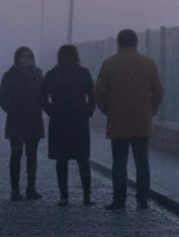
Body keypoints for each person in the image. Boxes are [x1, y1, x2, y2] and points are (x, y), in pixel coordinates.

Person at [94, 29, 163, 211]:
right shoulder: (148, 63)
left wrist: (109, 110)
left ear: (118, 43)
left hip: (118, 120)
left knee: (119, 162)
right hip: (141, 120)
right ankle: (142, 200)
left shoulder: (109, 64)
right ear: (136, 43)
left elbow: (99, 93)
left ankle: (119, 200)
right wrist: (150, 111)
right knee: (142, 162)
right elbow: (158, 91)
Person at [41, 44, 96, 206]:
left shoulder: (52, 74)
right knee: (83, 160)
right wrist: (88, 112)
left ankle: (64, 196)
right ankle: (86, 196)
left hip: (59, 122)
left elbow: (42, 98)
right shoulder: (83, 73)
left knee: (61, 160)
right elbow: (93, 96)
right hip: (79, 121)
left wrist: (51, 112)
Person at [0, 47, 45, 201]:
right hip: (16, 121)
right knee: (16, 155)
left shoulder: (38, 74)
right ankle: (15, 190)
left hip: (34, 120)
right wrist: (14, 110)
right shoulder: (9, 75)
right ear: (17, 58)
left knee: (32, 156)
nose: (26, 59)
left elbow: (43, 95)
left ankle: (31, 188)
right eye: (23, 57)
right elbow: (3, 99)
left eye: (29, 56)